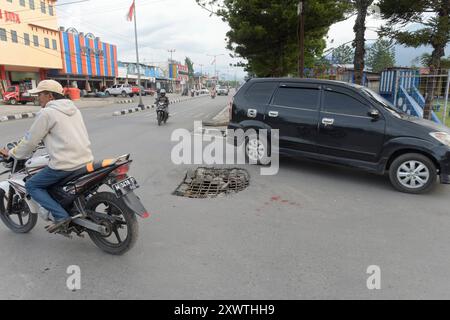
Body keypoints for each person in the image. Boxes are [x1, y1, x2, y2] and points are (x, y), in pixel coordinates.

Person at [0, 80, 94, 233]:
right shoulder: (74, 109)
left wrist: (12, 153)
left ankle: (61, 216)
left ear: (49, 96)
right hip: (85, 159)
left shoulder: (47, 113)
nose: (38, 98)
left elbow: (30, 142)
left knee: (32, 185)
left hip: (65, 164)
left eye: (40, 94)